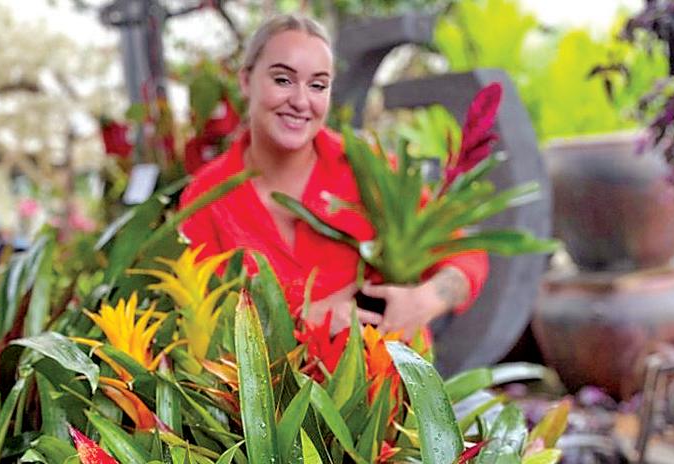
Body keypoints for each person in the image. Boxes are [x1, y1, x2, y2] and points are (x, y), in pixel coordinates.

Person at [179, 14, 488, 340]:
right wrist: (300, 320)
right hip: (266, 375)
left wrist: (424, 300)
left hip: (385, 367)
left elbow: (466, 255)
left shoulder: (370, 169)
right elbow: (201, 325)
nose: (301, 101)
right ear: (245, 81)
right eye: (282, 80)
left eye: (318, 85)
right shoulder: (205, 197)